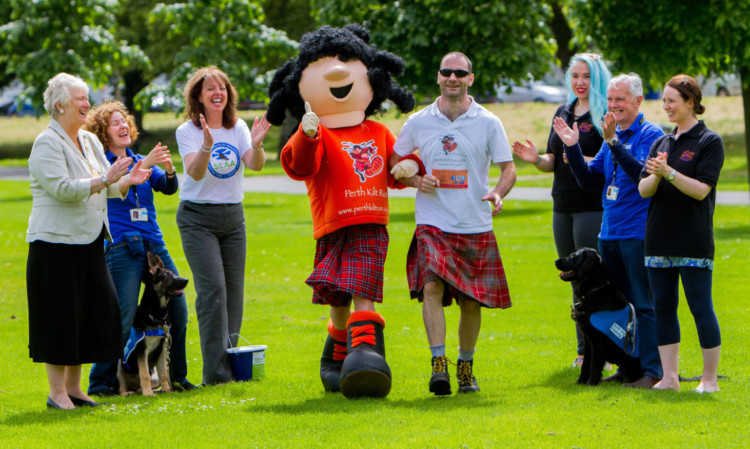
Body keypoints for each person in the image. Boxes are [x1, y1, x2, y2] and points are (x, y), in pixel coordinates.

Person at [266, 24, 416, 398]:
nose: (336, 72)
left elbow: (399, 166)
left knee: (364, 290)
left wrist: (410, 166)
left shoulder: (377, 132)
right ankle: (336, 351)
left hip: (369, 223)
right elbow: (300, 167)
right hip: (330, 226)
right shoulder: (315, 132)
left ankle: (367, 356)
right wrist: (308, 133)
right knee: (337, 297)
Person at [389, 52, 516, 395]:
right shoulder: (419, 121)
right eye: (447, 72)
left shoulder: (488, 121)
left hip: (474, 222)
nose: (453, 78)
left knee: (471, 301)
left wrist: (498, 193)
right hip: (433, 220)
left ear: (470, 79)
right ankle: (438, 366)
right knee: (431, 287)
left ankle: (466, 367)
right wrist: (416, 181)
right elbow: (395, 161)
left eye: (460, 73)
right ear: (438, 76)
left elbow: (508, 168)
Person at [26, 73, 151, 409]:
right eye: (80, 98)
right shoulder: (46, 144)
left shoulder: (90, 140)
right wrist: (105, 178)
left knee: (89, 313)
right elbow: (64, 189)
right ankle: (57, 393)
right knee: (60, 315)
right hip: (55, 243)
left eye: (86, 98)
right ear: (59, 105)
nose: (87, 104)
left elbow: (107, 187)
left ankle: (76, 388)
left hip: (90, 240)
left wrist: (126, 181)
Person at [553, 73, 664, 388]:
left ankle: (652, 371)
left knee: (643, 304)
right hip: (609, 235)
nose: (614, 105)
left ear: (638, 101)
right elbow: (589, 180)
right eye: (611, 100)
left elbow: (640, 173)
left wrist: (613, 142)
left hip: (636, 235)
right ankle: (630, 366)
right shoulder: (610, 136)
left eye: (621, 100)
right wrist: (573, 148)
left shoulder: (650, 134)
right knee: (619, 307)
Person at [83, 100, 196, 396]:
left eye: (125, 121)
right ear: (102, 132)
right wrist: (144, 165)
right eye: (114, 123)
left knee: (178, 309)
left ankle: (177, 377)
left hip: (153, 244)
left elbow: (167, 188)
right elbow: (114, 184)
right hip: (122, 245)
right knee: (122, 316)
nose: (123, 126)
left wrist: (170, 172)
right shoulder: (105, 165)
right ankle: (101, 383)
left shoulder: (141, 158)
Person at [512, 53, 610, 368]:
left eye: (587, 77)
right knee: (574, 280)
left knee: (595, 280)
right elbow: (553, 161)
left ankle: (605, 351)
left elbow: (609, 161)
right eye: (575, 76)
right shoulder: (563, 112)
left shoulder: (604, 114)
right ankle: (583, 352)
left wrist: (581, 156)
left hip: (590, 206)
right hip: (562, 206)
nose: (580, 83)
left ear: (597, 80)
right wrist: (535, 158)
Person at [175, 66, 270, 386]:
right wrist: (206, 144)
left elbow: (254, 165)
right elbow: (196, 173)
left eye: (222, 88)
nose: (218, 93)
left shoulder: (238, 126)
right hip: (197, 218)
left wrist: (256, 145)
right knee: (213, 291)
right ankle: (215, 375)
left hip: (233, 218)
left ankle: (233, 367)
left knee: (233, 294)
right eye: (210, 89)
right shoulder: (187, 131)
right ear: (198, 97)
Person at [638, 75, 724, 393]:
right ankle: (670, 378)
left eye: (672, 100)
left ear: (691, 101)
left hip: (693, 240)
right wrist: (657, 175)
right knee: (663, 306)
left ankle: (709, 380)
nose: (666, 106)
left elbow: (702, 191)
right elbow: (644, 190)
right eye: (664, 101)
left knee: (700, 306)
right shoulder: (661, 142)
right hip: (658, 238)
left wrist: (670, 173)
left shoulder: (708, 141)